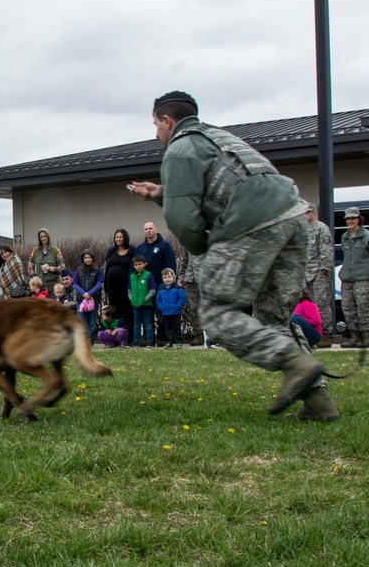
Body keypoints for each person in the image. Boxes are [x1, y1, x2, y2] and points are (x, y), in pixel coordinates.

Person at [130, 90, 338, 420]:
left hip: (254, 224)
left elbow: (186, 223)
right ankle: (320, 404)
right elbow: (229, 186)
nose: (156, 133)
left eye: (155, 124)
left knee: (215, 313)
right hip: (294, 219)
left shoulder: (179, 149)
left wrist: (210, 250)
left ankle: (294, 362)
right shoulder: (218, 137)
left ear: (167, 121)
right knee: (274, 318)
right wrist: (162, 194)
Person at [304, 201, 335, 348]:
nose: (304, 215)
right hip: (306, 273)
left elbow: (326, 251)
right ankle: (313, 334)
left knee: (321, 304)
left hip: (319, 273)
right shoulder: (303, 230)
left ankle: (325, 334)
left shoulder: (321, 228)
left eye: (307, 212)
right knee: (309, 306)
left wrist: (324, 270)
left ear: (314, 213)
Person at [339, 206, 369, 348]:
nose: (350, 221)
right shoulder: (344, 237)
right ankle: (354, 337)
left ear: (359, 219)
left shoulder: (366, 236)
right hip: (347, 279)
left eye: (353, 218)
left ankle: (366, 337)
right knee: (348, 309)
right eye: (348, 218)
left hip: (363, 278)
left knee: (363, 308)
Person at [104, 229, 135, 331]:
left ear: (125, 238)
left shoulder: (132, 250)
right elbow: (107, 267)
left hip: (126, 287)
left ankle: (129, 336)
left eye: (120, 237)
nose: (118, 239)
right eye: (116, 237)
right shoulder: (111, 251)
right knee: (114, 311)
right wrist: (106, 287)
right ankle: (115, 335)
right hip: (112, 288)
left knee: (127, 311)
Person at [72, 249, 104, 341]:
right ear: (83, 259)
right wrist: (83, 294)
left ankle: (90, 343)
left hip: (93, 300)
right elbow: (74, 284)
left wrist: (90, 293)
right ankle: (82, 342)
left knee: (91, 323)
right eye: (86, 258)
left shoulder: (97, 270)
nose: (88, 259)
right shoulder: (78, 270)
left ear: (92, 259)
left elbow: (99, 284)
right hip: (81, 301)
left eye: (89, 257)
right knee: (82, 323)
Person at [128, 255, 156, 347]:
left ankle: (149, 341)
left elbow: (153, 290)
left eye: (140, 264)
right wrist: (131, 298)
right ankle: (136, 341)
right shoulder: (132, 276)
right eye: (136, 265)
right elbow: (129, 290)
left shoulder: (148, 275)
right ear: (134, 266)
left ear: (144, 264)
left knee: (148, 324)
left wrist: (146, 298)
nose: (138, 266)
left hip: (146, 305)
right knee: (136, 325)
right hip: (136, 305)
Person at [155, 268, 186, 347]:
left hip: (175, 312)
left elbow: (182, 298)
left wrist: (177, 306)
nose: (167, 279)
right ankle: (168, 341)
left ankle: (178, 341)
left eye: (169, 277)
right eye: (165, 278)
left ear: (173, 277)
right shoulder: (161, 289)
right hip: (165, 312)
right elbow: (158, 299)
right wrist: (161, 307)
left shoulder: (177, 288)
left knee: (176, 327)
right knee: (167, 328)